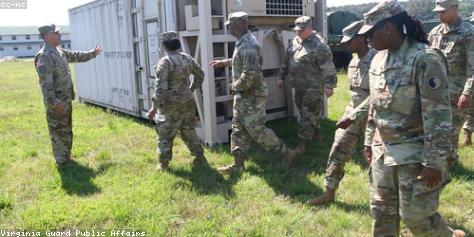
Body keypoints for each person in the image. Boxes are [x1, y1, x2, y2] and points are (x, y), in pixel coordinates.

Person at [359, 1, 465, 236]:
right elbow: (374, 107)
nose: (367, 39)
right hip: (382, 152)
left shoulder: (424, 58)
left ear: (389, 28)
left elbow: (438, 115)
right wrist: (368, 141)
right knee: (381, 214)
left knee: (417, 219)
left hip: (416, 156)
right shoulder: (378, 60)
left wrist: (434, 162)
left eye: (371, 32)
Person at [210, 12, 295, 172]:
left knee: (256, 129)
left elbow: (250, 74)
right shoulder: (242, 43)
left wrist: (234, 86)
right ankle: (238, 164)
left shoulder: (249, 45)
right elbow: (240, 61)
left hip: (252, 95)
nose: (229, 29)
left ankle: (285, 152)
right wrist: (224, 63)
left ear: (238, 25)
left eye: (230, 26)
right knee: (238, 129)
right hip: (243, 95)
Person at [308, 20, 376, 206]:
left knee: (378, 160)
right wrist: (351, 114)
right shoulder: (354, 60)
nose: (346, 45)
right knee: (338, 149)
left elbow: (378, 95)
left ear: (361, 38)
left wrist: (353, 115)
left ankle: (388, 202)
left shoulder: (378, 59)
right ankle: (329, 193)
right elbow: (355, 93)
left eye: (349, 41)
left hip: (375, 117)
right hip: (353, 113)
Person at [34, 24, 102, 165]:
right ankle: (61, 161)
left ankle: (66, 157)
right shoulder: (45, 56)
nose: (60, 35)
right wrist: (54, 103)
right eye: (56, 33)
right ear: (47, 36)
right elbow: (46, 85)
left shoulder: (58, 51)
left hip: (65, 100)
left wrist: (92, 53)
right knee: (58, 132)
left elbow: (76, 55)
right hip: (57, 103)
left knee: (66, 129)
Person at [277, 16, 338, 154]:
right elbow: (287, 60)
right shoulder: (295, 41)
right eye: (297, 30)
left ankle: (302, 144)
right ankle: (316, 135)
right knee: (306, 112)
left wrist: (329, 86)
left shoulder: (320, 45)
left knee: (308, 113)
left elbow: (328, 67)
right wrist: (282, 76)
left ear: (310, 29)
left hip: (313, 86)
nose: (298, 33)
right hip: (298, 85)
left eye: (302, 30)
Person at [147, 31, 206, 171]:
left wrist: (154, 108)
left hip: (170, 105)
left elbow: (160, 88)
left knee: (165, 133)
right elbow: (200, 75)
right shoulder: (187, 58)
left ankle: (163, 164)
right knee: (188, 130)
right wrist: (191, 88)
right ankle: (200, 157)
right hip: (187, 102)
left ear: (164, 45)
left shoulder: (164, 62)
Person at [428, 0, 474, 154]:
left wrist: (467, 93)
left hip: (456, 93)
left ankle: (449, 165)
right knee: (433, 131)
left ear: (455, 9)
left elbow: (472, 67)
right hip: (434, 92)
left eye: (443, 11)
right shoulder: (435, 32)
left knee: (451, 133)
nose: (439, 14)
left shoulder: (468, 32)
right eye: (438, 12)